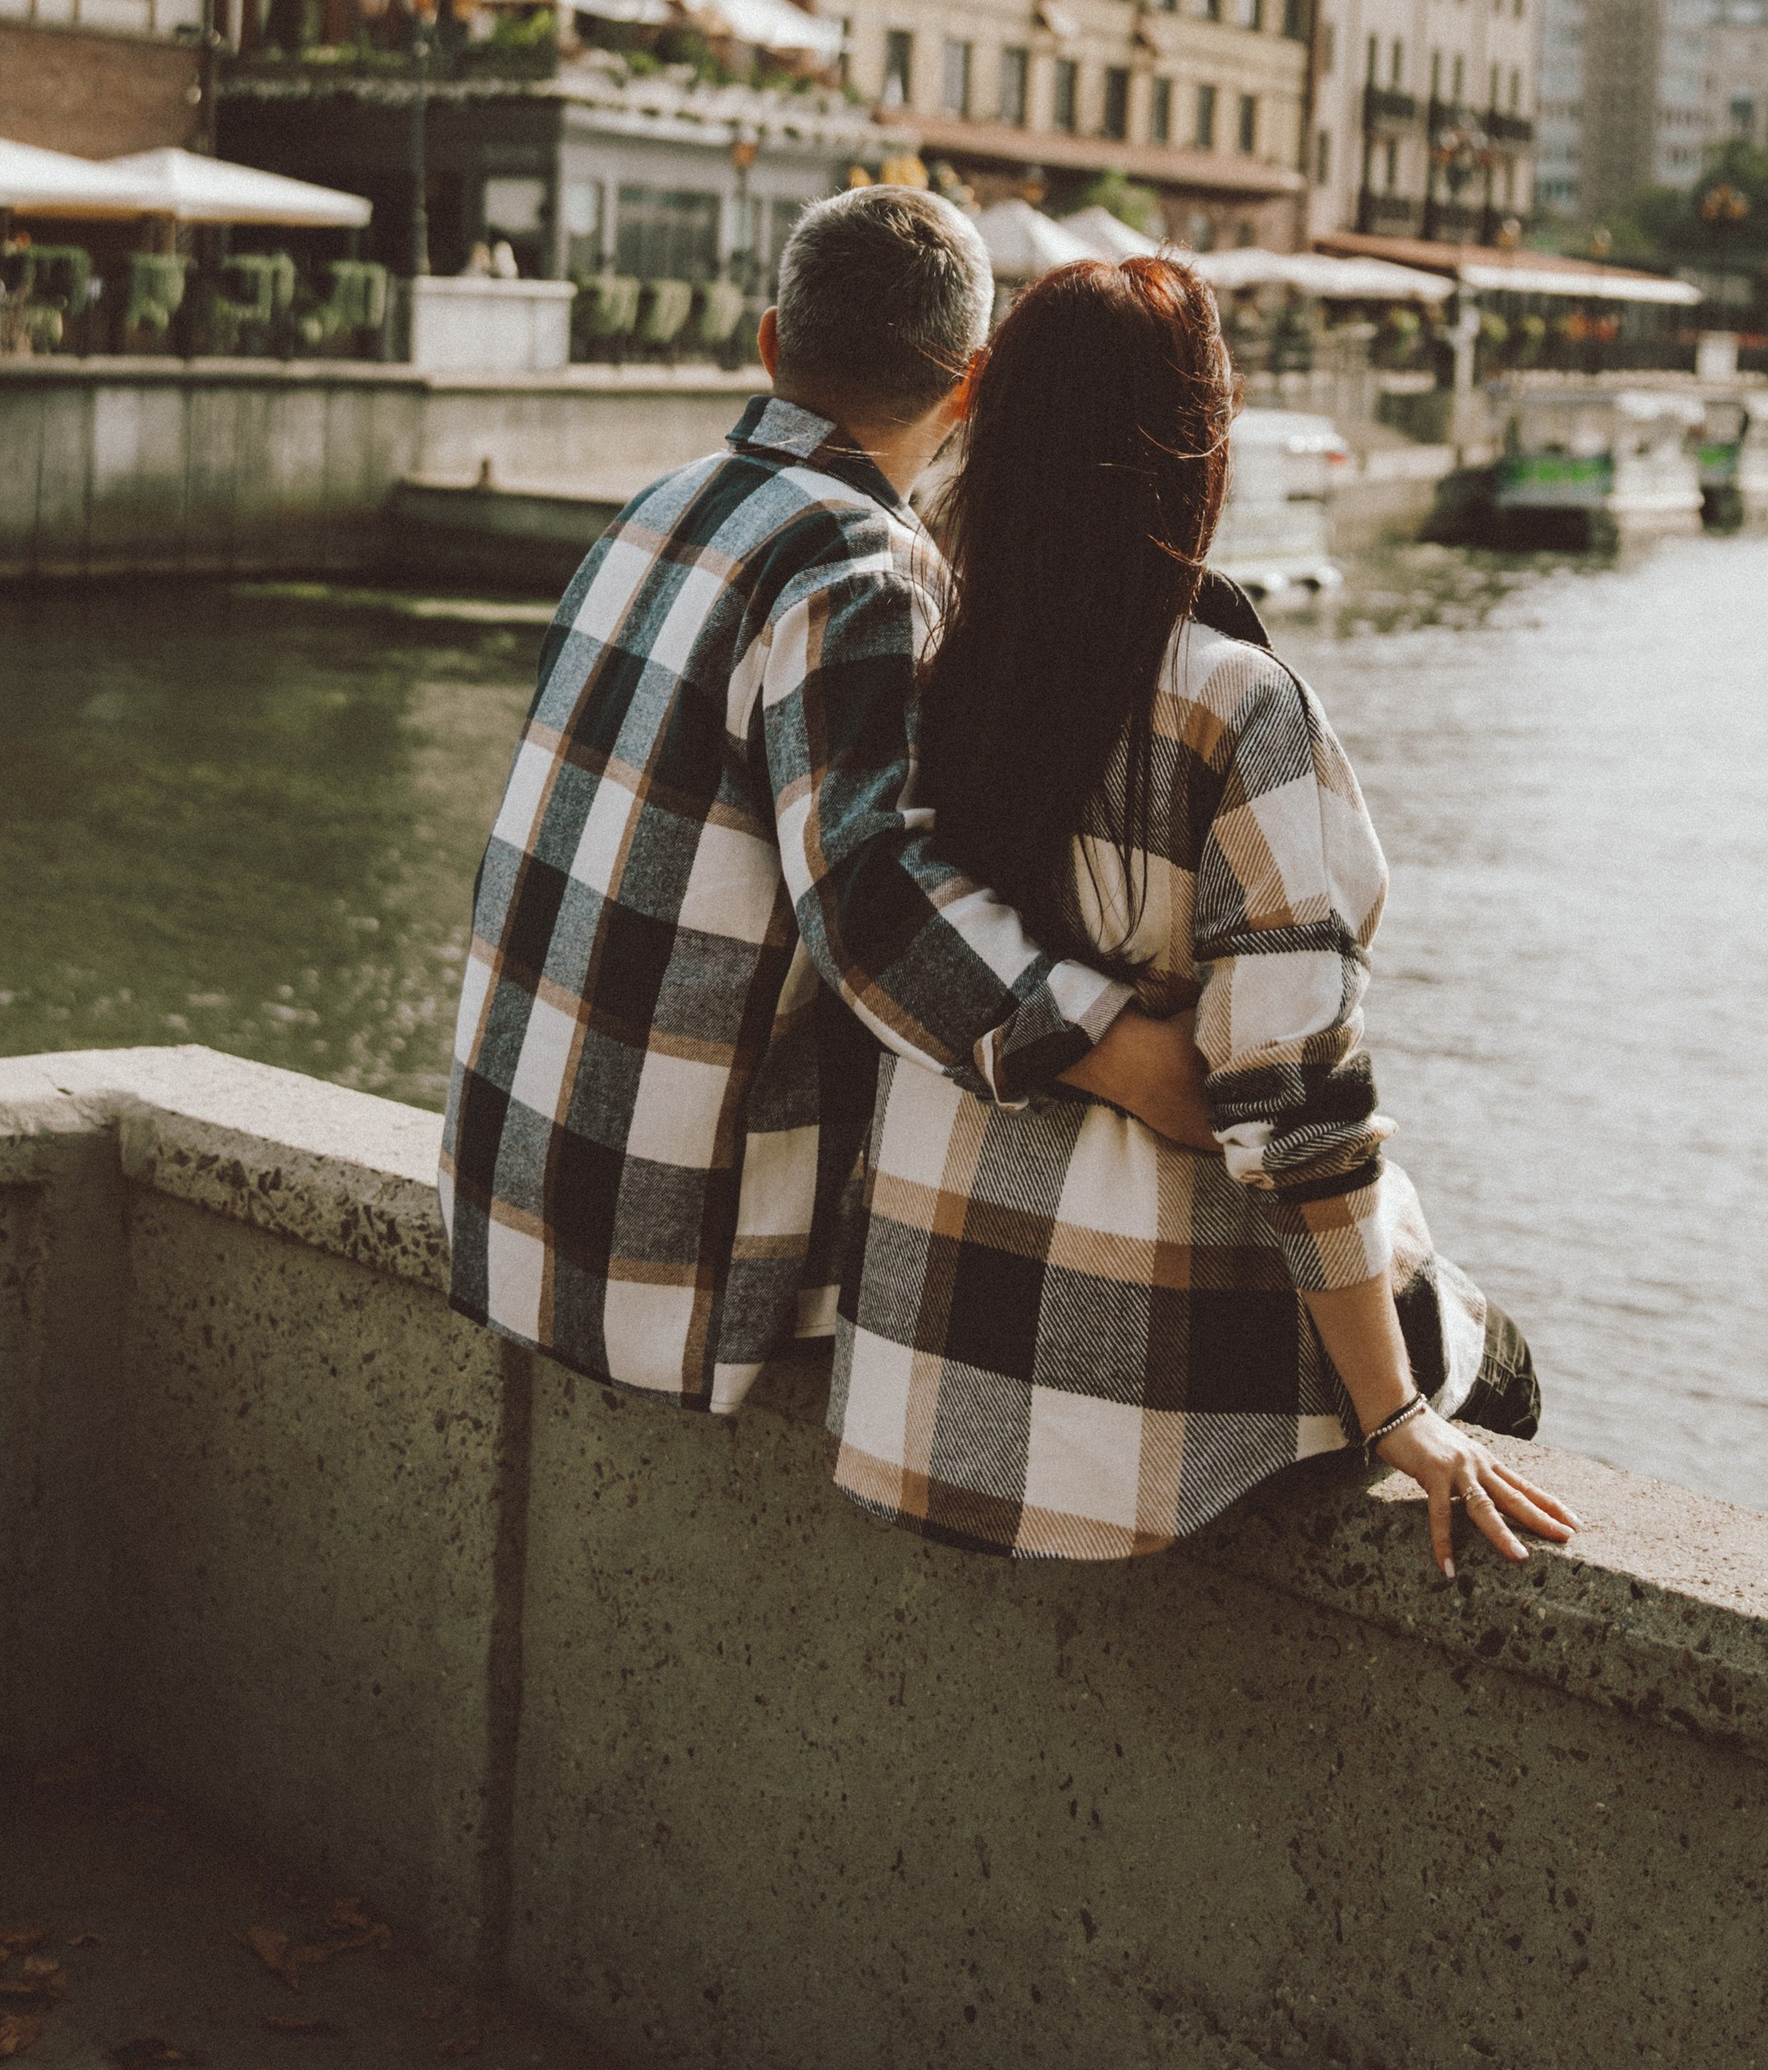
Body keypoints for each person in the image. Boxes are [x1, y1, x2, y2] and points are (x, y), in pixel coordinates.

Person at [825, 252, 1575, 1580]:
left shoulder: (927, 665)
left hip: (918, 1375)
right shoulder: (1234, 709)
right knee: (1501, 1360)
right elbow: (1297, 1118)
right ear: (1197, 448)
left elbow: (872, 926)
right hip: (1129, 1422)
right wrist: (1399, 1416)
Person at [440, 186, 1216, 1411]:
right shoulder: (859, 561)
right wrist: (1120, 1055)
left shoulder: (653, 508)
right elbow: (873, 904)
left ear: (770, 343)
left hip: (504, 1202)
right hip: (666, 1274)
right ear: (968, 390)